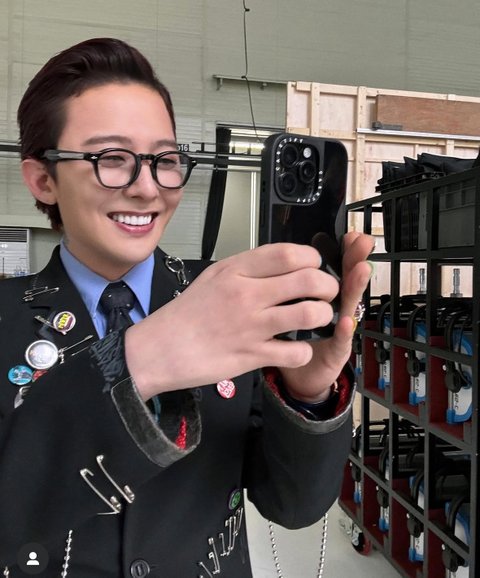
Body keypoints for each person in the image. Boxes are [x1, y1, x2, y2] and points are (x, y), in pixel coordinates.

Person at [0, 38, 374, 577]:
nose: (147, 188)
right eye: (112, 159)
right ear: (43, 180)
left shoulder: (232, 302)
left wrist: (307, 395)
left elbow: (293, 506)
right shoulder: (8, 318)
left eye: (165, 160)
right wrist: (141, 360)